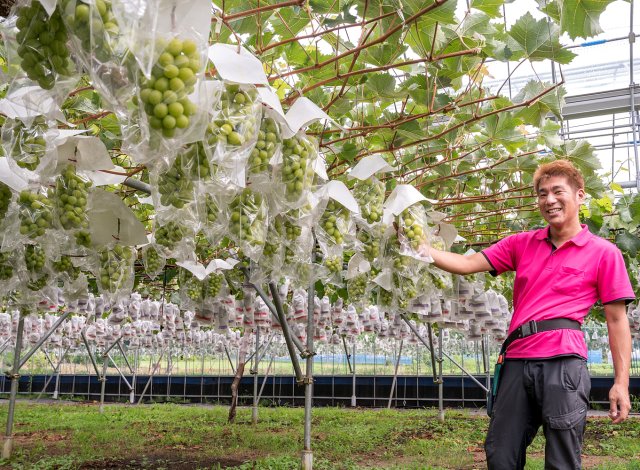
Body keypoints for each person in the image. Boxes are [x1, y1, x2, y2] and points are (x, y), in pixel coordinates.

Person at [419, 159, 634, 469]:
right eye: (542, 193)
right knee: (500, 452)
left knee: (562, 458)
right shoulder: (522, 244)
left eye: (558, 191)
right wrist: (420, 248)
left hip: (563, 364)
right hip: (517, 360)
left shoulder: (603, 252)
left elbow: (617, 321)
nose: (549, 200)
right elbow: (466, 264)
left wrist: (621, 383)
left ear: (580, 195)